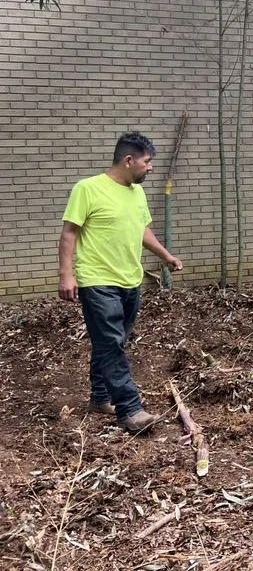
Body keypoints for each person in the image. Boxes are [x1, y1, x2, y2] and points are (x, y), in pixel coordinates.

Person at [58, 132, 183, 434]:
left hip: (130, 279)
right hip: (97, 280)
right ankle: (130, 409)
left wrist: (166, 256)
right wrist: (66, 274)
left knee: (111, 343)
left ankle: (100, 398)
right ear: (129, 161)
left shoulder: (136, 193)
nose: (150, 167)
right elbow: (69, 233)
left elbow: (142, 230)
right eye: (147, 161)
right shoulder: (87, 189)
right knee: (111, 343)